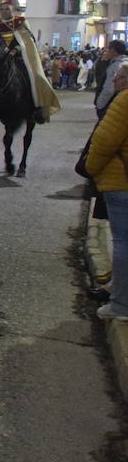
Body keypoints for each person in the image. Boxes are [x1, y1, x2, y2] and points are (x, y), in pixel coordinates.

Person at [0, 0, 60, 123]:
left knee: (34, 77)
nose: (5, 11)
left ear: (12, 9)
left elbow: (27, 42)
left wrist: (16, 49)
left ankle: (36, 106)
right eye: (2, 9)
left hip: (18, 58)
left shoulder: (21, 23)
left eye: (7, 9)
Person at [88, 68, 128, 322]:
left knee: (123, 241)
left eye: (119, 77)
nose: (113, 81)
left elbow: (103, 140)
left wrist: (90, 168)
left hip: (120, 180)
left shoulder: (124, 100)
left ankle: (121, 303)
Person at [96, 41, 128, 119]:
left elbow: (109, 88)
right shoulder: (122, 62)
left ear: (113, 50)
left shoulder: (116, 65)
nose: (105, 52)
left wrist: (100, 104)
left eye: (107, 49)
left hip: (111, 102)